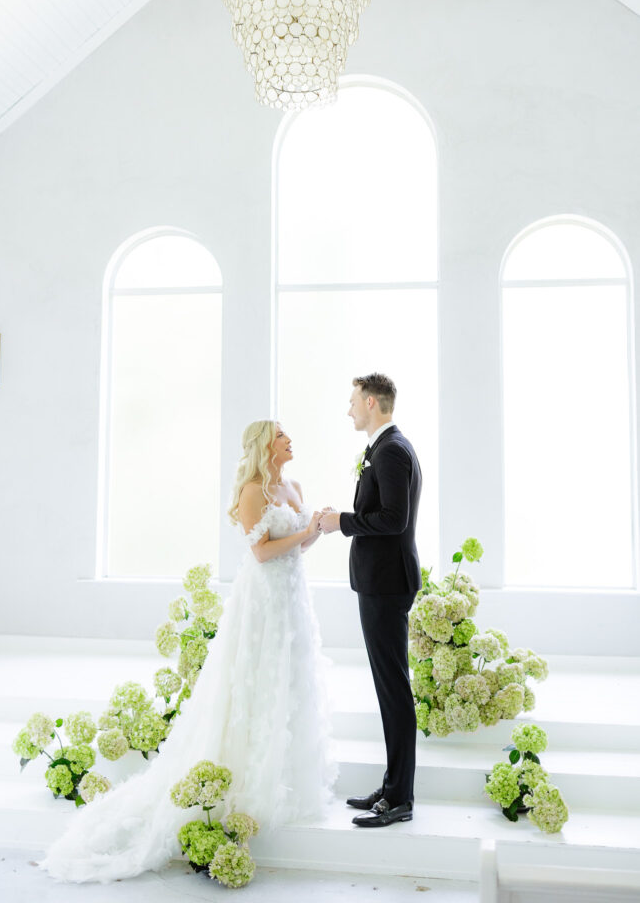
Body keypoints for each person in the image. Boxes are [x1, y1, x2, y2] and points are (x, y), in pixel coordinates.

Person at [38, 420, 336, 884]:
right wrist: (302, 535)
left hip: (293, 598)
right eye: (281, 435)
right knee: (256, 680)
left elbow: (299, 547)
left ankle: (287, 779)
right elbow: (260, 553)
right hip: (262, 599)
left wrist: (315, 528)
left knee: (292, 680)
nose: (289, 439)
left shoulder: (293, 485)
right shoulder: (252, 492)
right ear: (264, 445)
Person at [318, 373, 422, 828]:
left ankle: (400, 798)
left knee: (394, 689)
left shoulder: (392, 450)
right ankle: (393, 784)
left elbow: (393, 520)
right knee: (388, 687)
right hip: (380, 581)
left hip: (386, 583)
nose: (349, 409)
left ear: (373, 402)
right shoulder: (384, 447)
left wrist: (341, 520)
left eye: (354, 401)